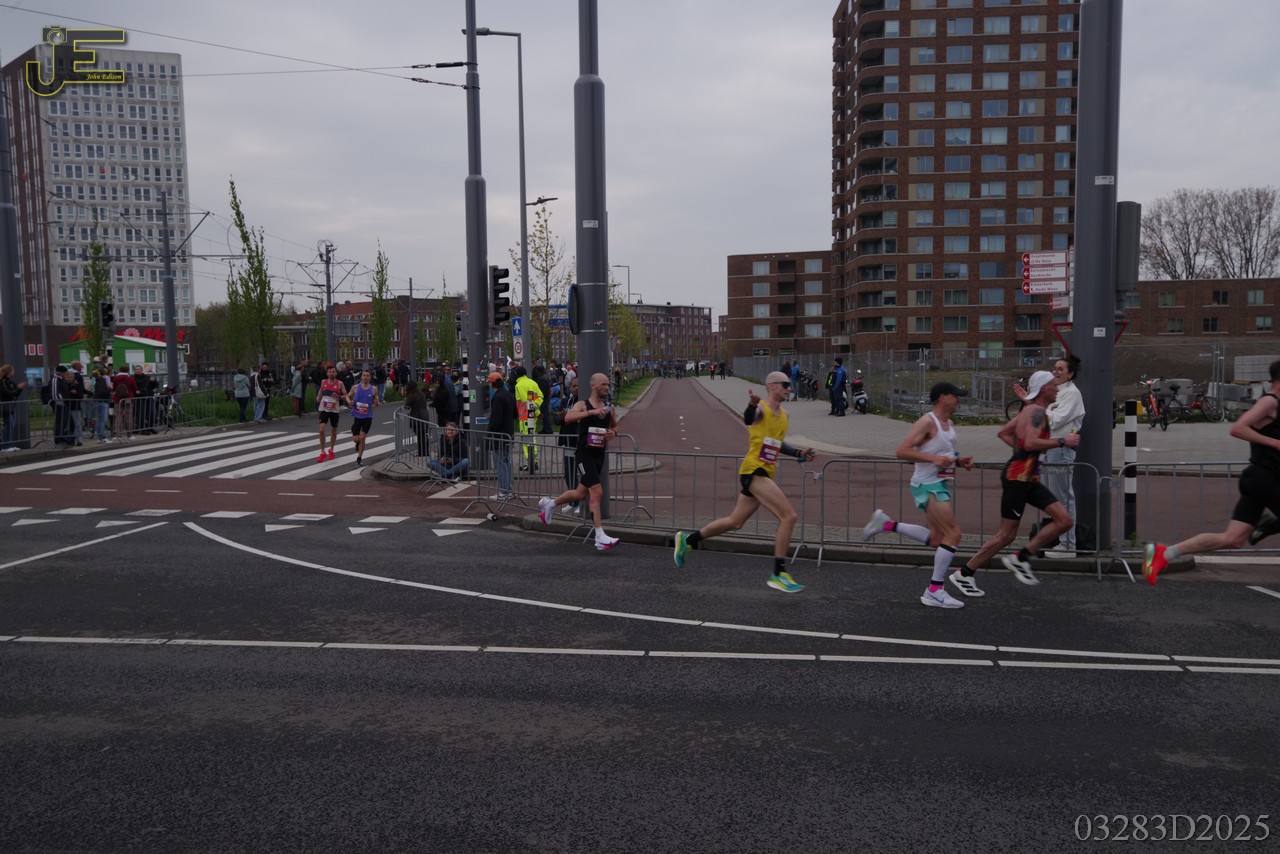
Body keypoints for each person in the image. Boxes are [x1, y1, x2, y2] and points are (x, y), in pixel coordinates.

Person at [672, 371, 815, 592]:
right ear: (772, 386)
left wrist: (799, 452)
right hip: (754, 471)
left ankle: (687, 540)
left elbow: (776, 443)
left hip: (765, 473)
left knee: (735, 522)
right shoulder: (761, 409)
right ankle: (779, 574)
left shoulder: (785, 415)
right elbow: (749, 418)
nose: (789, 388)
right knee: (789, 516)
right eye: (785, 384)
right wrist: (751, 404)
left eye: (790, 384)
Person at [1144, 358, 1280, 584]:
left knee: (1233, 539)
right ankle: (1269, 525)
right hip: (1263, 477)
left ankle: (1163, 554)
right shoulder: (1269, 402)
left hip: (1261, 479)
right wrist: (1275, 443)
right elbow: (1238, 428)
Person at [950, 371, 1081, 595]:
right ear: (1043, 388)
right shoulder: (1036, 412)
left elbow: (1003, 433)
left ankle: (1021, 558)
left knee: (1065, 520)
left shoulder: (1031, 410)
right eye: (1053, 385)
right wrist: (1062, 441)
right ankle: (964, 573)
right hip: (1017, 479)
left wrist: (1022, 455)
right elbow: (1030, 442)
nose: (1057, 389)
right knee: (1006, 535)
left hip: (1028, 478)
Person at [863, 382, 974, 609]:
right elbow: (902, 451)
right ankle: (934, 590)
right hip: (927, 485)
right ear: (942, 397)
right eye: (955, 396)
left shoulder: (949, 424)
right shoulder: (927, 422)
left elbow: (942, 453)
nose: (959, 400)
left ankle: (886, 524)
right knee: (953, 534)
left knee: (936, 539)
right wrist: (934, 460)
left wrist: (958, 460)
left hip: (938, 482)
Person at [537, 372, 622, 552]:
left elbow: (614, 426)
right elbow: (567, 418)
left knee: (580, 494)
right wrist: (591, 412)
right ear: (593, 386)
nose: (607, 388)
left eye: (608, 385)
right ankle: (599, 536)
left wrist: (613, 433)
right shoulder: (582, 405)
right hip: (584, 455)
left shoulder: (609, 408)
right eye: (603, 384)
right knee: (597, 491)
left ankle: (549, 504)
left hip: (599, 455)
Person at [1042, 355, 1084, 556]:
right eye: (1054, 368)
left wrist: (1037, 411)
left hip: (1060, 450)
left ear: (1070, 374)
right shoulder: (1057, 392)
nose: (1055, 372)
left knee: (1063, 498)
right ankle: (1061, 541)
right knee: (1054, 497)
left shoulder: (1072, 394)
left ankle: (1068, 545)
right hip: (1050, 448)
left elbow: (1056, 420)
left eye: (1060, 369)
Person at [487, 371, 516, 500]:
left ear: (492, 383)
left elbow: (497, 419)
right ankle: (509, 489)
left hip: (499, 434)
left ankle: (504, 491)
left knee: (500, 463)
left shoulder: (497, 397)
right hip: (509, 432)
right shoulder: (509, 395)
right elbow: (515, 414)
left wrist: (491, 428)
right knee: (506, 462)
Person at [555, 376, 581, 515]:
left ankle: (581, 503)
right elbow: (556, 420)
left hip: (579, 442)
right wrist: (562, 417)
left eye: (578, 386)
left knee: (582, 474)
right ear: (570, 387)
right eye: (573, 386)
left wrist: (571, 417)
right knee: (569, 473)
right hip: (568, 441)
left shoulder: (583, 402)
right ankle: (573, 502)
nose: (576, 388)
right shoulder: (565, 401)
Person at [314, 363, 347, 462]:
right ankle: (322, 452)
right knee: (321, 430)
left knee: (334, 430)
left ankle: (331, 450)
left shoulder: (340, 383)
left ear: (336, 373)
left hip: (334, 409)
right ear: (327, 373)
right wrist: (318, 397)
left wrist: (339, 396)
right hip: (324, 408)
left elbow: (346, 395)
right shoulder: (323, 381)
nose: (331, 373)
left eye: (333, 372)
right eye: (329, 372)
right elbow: (321, 391)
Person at [347, 368, 380, 465]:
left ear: (370, 378)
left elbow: (376, 401)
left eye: (367, 376)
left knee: (362, 437)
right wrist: (350, 402)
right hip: (357, 417)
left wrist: (376, 402)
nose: (365, 377)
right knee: (355, 439)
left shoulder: (373, 389)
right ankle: (357, 443)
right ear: (361, 377)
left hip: (367, 417)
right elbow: (347, 396)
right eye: (364, 375)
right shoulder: (355, 387)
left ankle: (359, 458)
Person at [0, 364, 26, 452]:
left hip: (11, 406)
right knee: (8, 426)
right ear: (8, 372)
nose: (14, 372)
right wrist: (18, 388)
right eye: (12, 370)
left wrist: (19, 389)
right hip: (6, 406)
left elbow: (15, 393)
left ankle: (10, 444)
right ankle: (5, 445)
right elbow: (7, 393)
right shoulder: (3, 381)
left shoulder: (10, 381)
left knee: (11, 426)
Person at [403, 380, 431, 457]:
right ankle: (425, 452)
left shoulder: (412, 395)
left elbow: (406, 406)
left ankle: (421, 452)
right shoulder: (421, 393)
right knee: (424, 435)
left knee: (420, 436)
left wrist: (407, 396)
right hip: (425, 416)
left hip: (417, 416)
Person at [112, 363, 138, 440]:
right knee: (129, 417)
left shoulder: (116, 378)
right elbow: (135, 389)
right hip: (129, 399)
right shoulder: (130, 378)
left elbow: (114, 388)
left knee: (118, 417)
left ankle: (118, 434)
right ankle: (129, 435)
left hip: (118, 399)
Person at [88, 365, 112, 442]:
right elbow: (101, 391)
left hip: (97, 400)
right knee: (102, 420)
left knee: (99, 419)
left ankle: (100, 436)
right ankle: (102, 437)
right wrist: (109, 389)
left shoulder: (95, 379)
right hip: (102, 401)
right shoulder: (101, 380)